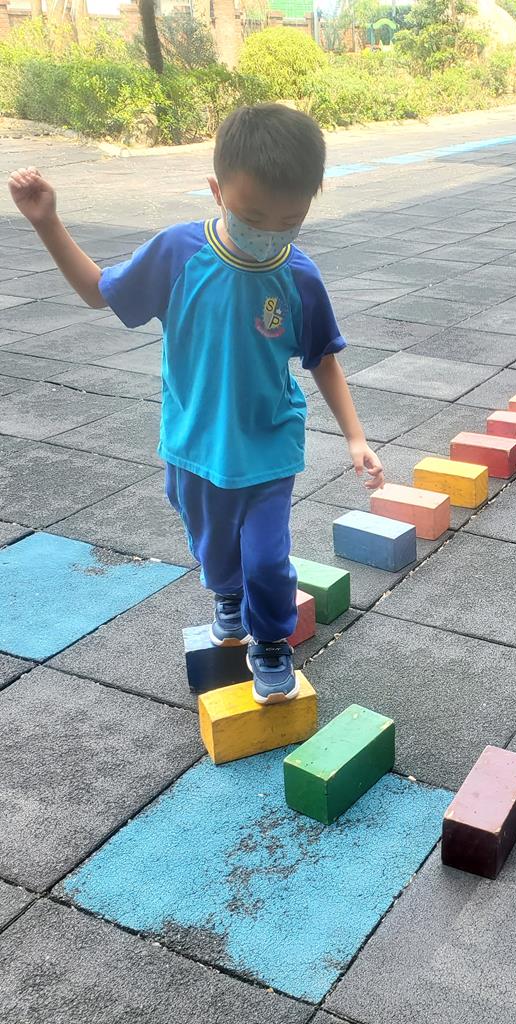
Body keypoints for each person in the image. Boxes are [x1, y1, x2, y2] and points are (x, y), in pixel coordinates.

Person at [7, 104, 384, 704]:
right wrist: (47, 222)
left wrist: (355, 437)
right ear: (216, 191)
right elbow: (99, 292)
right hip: (194, 446)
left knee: (268, 559)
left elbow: (322, 358)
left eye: (290, 220)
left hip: (268, 445)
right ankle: (227, 595)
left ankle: (271, 643)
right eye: (253, 217)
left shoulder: (299, 277)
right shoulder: (178, 253)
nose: (270, 232)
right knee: (215, 552)